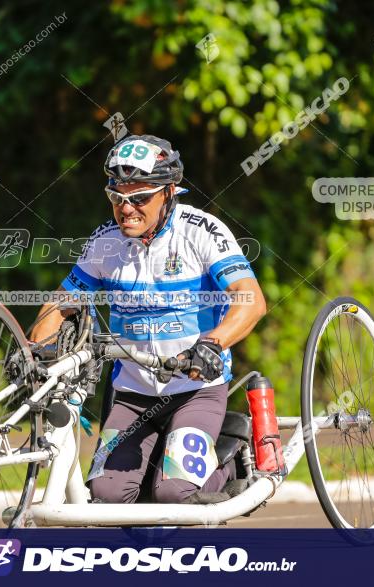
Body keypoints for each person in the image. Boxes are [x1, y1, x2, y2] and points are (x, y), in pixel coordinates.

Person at [29, 134, 266, 504]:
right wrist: (32, 351)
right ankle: (159, 461)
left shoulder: (201, 231)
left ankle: (231, 456)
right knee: (106, 495)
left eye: (139, 198)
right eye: (117, 198)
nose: (126, 209)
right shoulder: (104, 243)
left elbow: (250, 302)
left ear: (169, 192)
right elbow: (61, 306)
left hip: (195, 391)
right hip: (132, 395)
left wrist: (212, 342)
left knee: (174, 493)